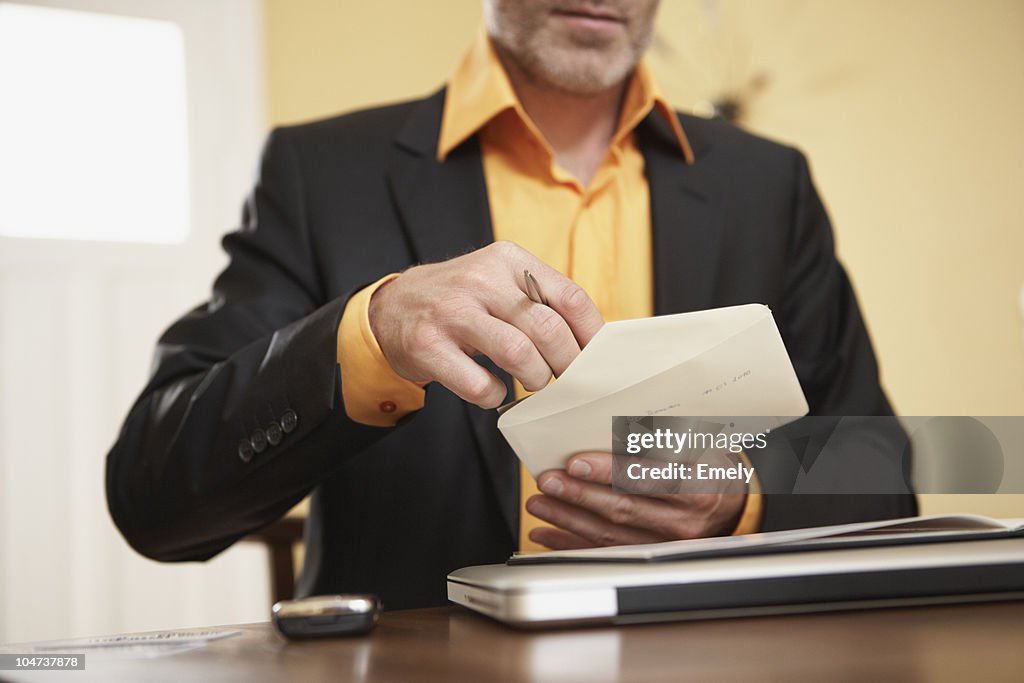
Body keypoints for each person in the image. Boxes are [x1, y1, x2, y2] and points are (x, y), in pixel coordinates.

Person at [106, 0, 916, 609]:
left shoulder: (770, 185)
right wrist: (372, 330)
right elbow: (152, 499)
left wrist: (741, 498)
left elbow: (885, 475)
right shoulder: (319, 172)